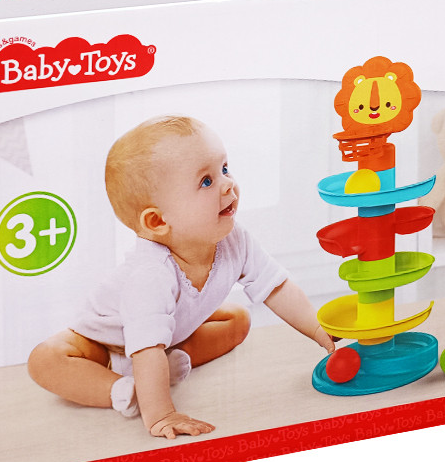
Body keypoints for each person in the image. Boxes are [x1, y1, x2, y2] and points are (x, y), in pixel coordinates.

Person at [28, 115, 334, 439]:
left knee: (238, 319)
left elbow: (277, 287)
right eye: (207, 181)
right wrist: (161, 414)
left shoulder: (235, 240)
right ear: (158, 222)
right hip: (104, 342)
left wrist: (319, 330)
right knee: (45, 359)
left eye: (224, 169)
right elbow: (146, 346)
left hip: (167, 335)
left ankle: (164, 366)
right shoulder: (150, 274)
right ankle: (122, 387)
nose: (228, 184)